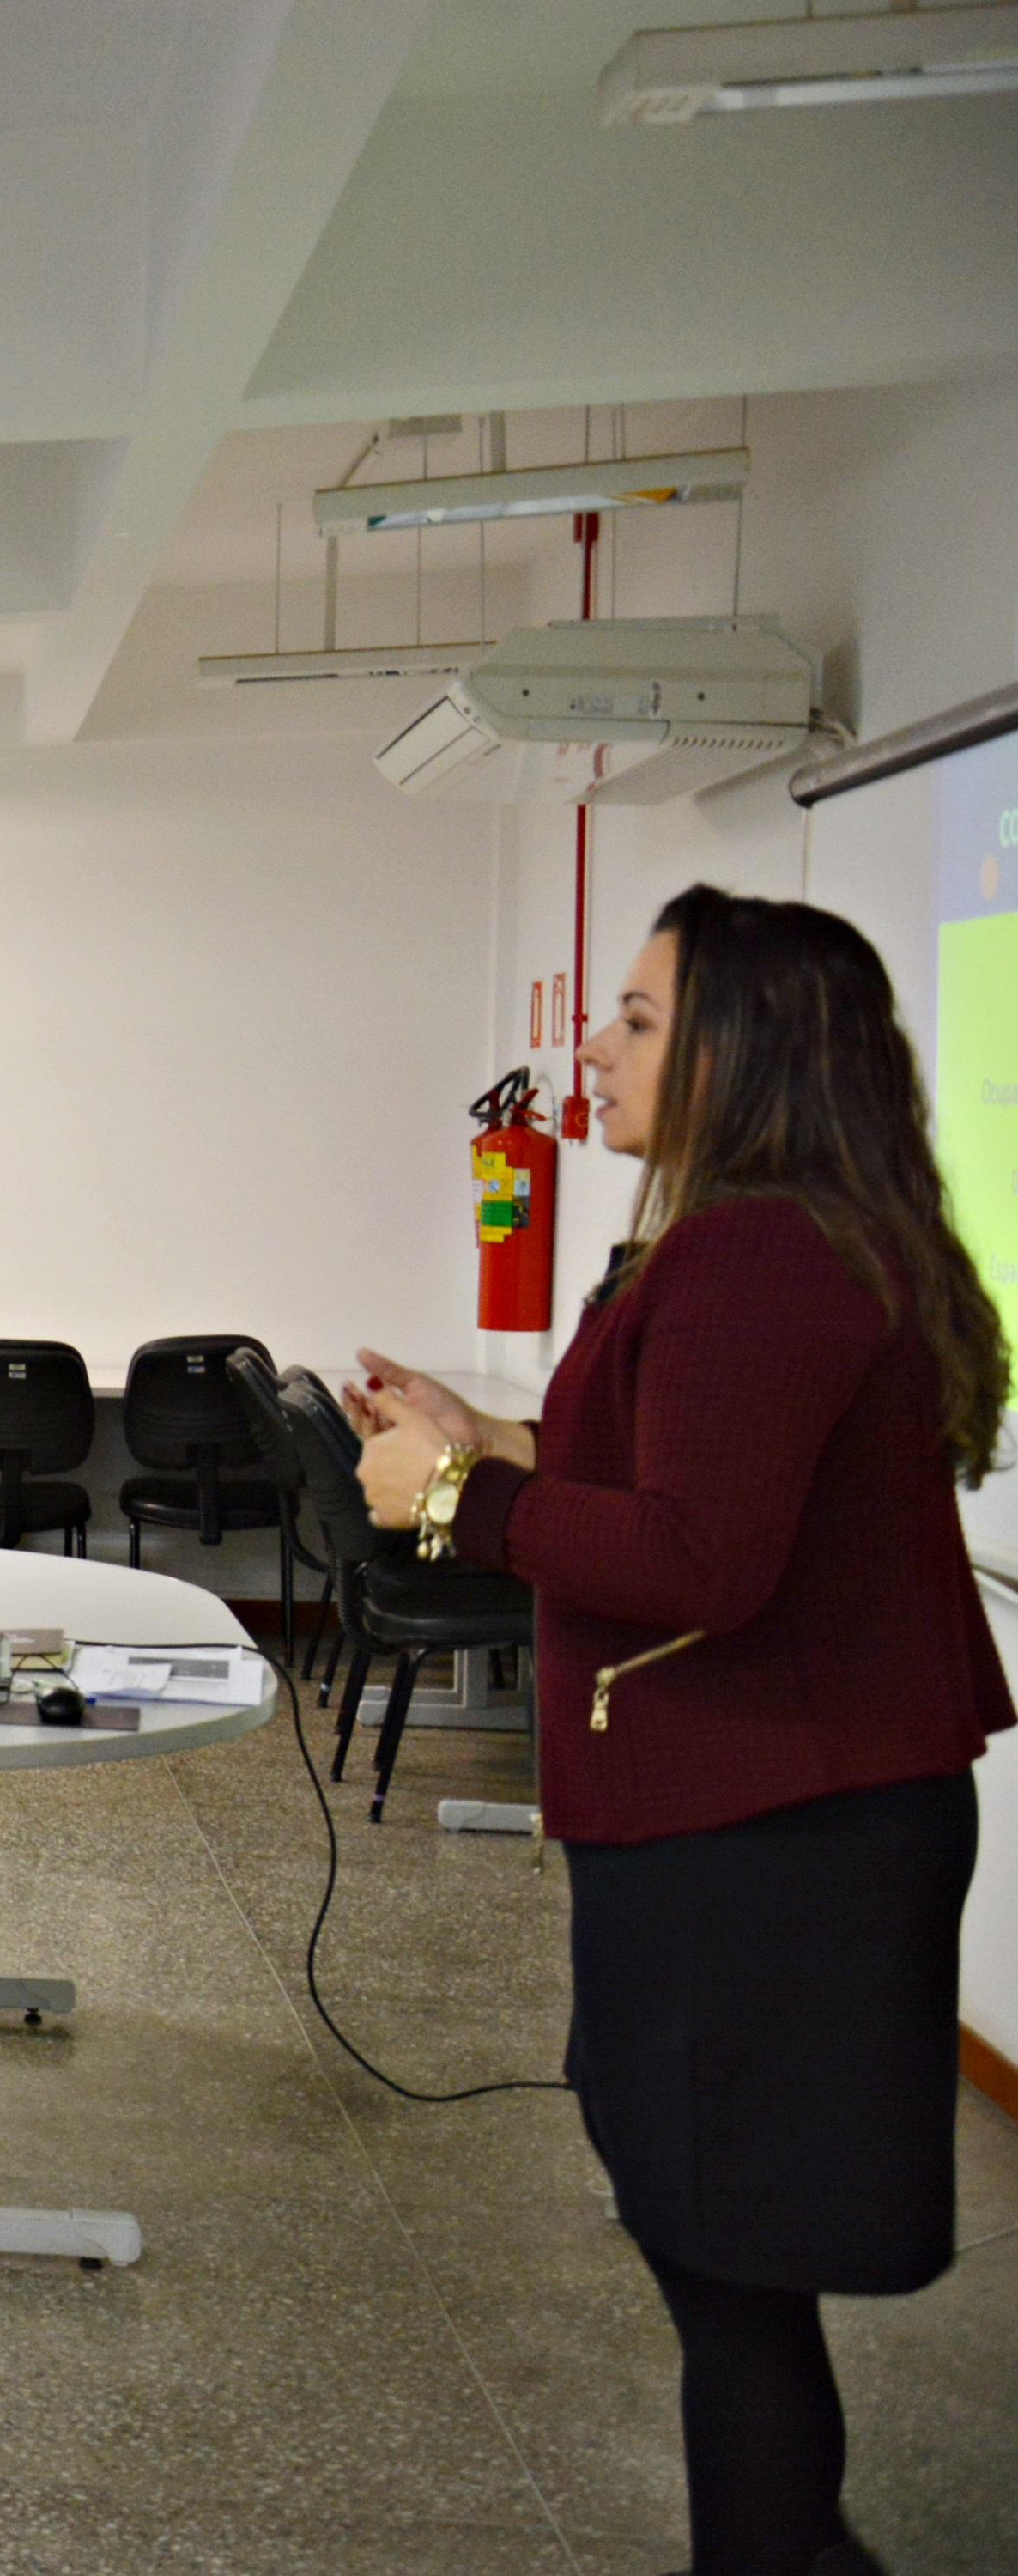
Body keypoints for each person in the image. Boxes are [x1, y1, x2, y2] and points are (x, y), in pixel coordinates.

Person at [349, 887, 1004, 2576]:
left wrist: (455, 1502)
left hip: (766, 1839)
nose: (594, 1046)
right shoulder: (791, 1235)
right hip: (776, 1819)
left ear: (743, 1052)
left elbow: (703, 1557)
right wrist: (483, 1438)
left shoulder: (754, 1251)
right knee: (723, 2265)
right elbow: (671, 1476)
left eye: (638, 1021)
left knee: (725, 2265)